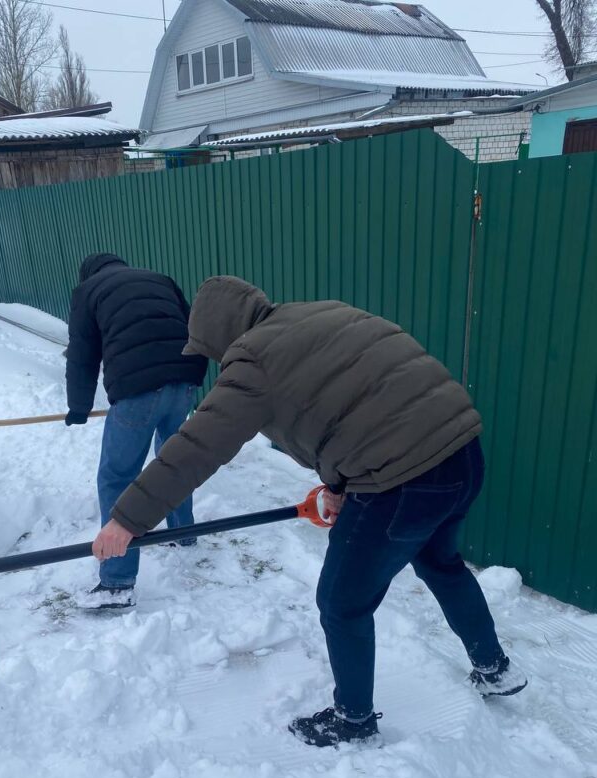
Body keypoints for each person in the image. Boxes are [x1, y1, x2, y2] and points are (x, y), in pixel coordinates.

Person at [92, 275, 529, 746]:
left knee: (342, 604)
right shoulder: (320, 312)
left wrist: (127, 519)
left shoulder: (253, 360)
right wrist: (339, 484)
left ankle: (354, 721)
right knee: (442, 564)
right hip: (460, 450)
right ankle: (494, 667)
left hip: (402, 480)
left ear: (220, 334)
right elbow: (357, 402)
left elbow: (198, 447)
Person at [66, 253, 207, 609]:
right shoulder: (160, 278)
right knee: (174, 462)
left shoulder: (87, 290)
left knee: (117, 477)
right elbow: (195, 325)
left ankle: (117, 582)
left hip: (139, 389)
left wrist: (79, 407)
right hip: (186, 378)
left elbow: (82, 354)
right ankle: (183, 534)